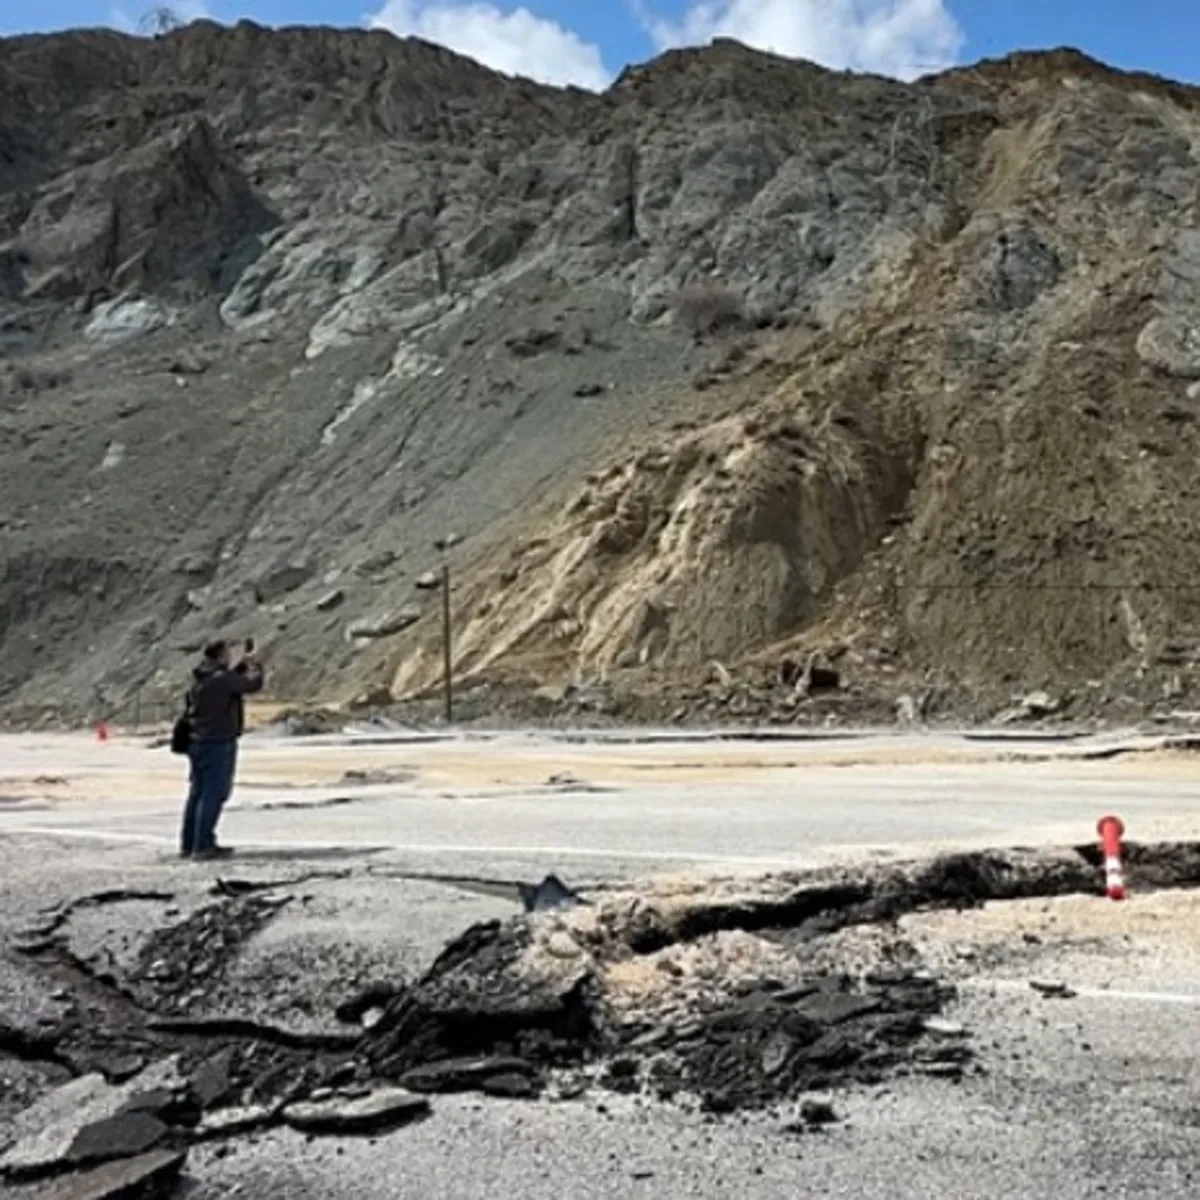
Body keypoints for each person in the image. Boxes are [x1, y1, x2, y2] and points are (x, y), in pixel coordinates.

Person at [180, 639, 264, 860]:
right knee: (214, 794)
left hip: (198, 741)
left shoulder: (203, 677)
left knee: (198, 794)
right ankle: (203, 845)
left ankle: (190, 843)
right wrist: (256, 666)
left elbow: (230, 681)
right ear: (220, 656)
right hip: (217, 741)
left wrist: (242, 667)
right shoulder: (221, 679)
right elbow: (250, 685)